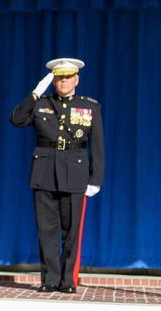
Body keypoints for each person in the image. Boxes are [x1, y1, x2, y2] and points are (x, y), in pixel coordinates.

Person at [10, 58, 104, 293]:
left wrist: (96, 179)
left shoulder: (90, 107)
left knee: (71, 231)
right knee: (47, 230)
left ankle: (68, 280)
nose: (63, 81)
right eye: (58, 77)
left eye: (67, 76)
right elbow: (16, 119)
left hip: (75, 172)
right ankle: (50, 279)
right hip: (44, 172)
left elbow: (98, 146)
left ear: (76, 79)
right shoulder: (41, 103)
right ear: (53, 80)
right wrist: (35, 93)